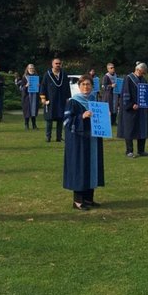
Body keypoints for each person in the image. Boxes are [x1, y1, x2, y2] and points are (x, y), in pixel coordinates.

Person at [63, 75, 105, 210]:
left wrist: (105, 116)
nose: (86, 87)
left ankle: (89, 199)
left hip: (93, 139)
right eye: (83, 85)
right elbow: (67, 122)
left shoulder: (94, 100)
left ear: (92, 86)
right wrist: (82, 116)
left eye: (88, 84)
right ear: (79, 86)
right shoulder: (73, 102)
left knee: (92, 168)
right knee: (80, 168)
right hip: (78, 141)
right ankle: (78, 201)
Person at [117, 63, 148, 158]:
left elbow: (144, 93)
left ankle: (141, 150)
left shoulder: (143, 79)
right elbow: (125, 93)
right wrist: (131, 104)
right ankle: (129, 151)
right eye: (142, 72)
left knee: (142, 129)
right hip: (131, 110)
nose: (143, 74)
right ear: (137, 70)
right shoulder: (128, 78)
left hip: (142, 110)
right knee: (129, 129)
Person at [44, 58, 70, 143]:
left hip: (61, 100)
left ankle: (59, 137)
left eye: (59, 63)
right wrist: (43, 99)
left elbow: (67, 87)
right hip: (51, 101)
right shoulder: (47, 74)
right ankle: (48, 137)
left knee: (60, 119)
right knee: (49, 119)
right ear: (52, 64)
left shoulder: (63, 74)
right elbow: (43, 87)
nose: (58, 65)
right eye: (56, 63)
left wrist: (67, 98)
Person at [17, 64, 40, 130]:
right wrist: (26, 86)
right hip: (27, 97)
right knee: (27, 111)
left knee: (33, 111)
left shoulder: (36, 76)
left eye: (32, 68)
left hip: (34, 96)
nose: (31, 69)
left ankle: (34, 125)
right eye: (30, 68)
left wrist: (38, 85)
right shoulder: (25, 77)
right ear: (27, 69)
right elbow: (21, 88)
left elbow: (40, 87)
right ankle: (26, 125)